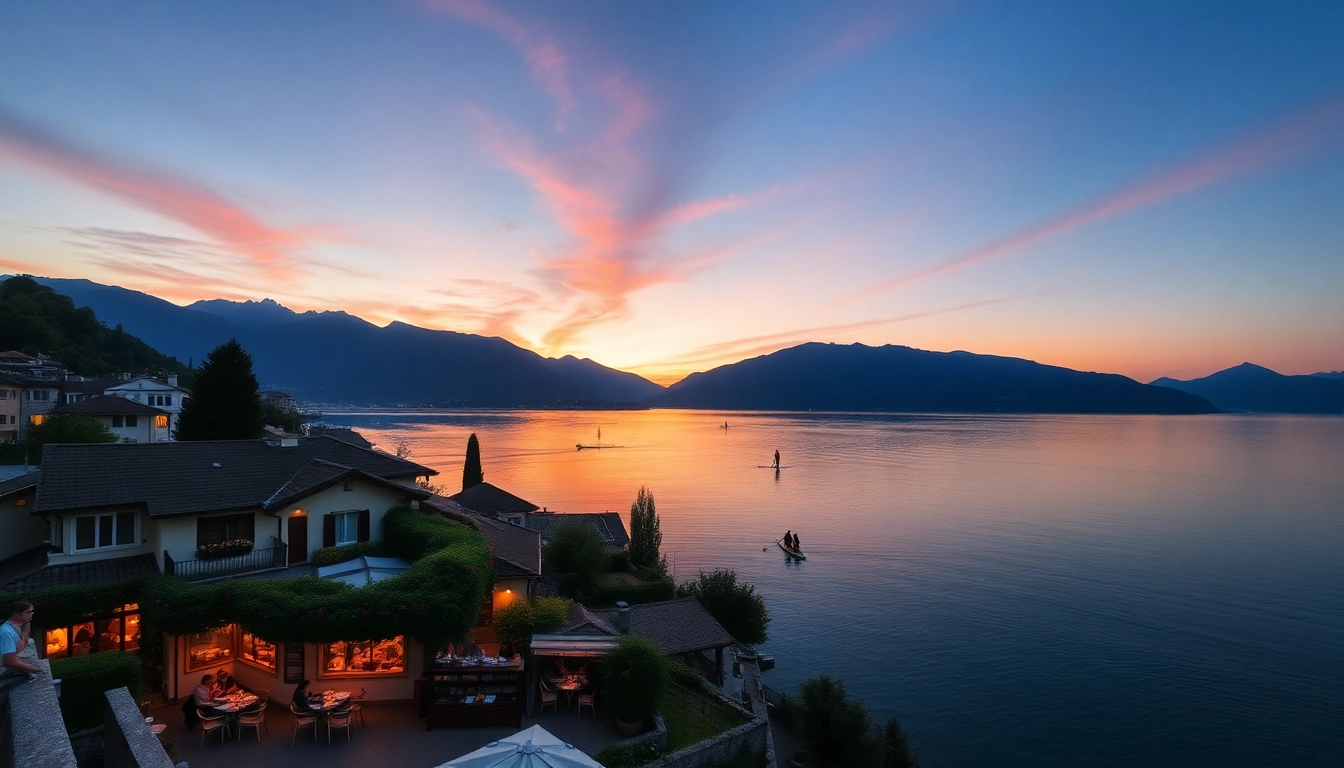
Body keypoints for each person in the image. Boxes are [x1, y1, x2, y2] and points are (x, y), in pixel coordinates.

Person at [2, 600, 40, 686]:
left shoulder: (19, 626)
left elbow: (19, 649)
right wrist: (31, 668)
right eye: (28, 612)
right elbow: (9, 660)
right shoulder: (7, 633)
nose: (31, 614)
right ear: (17, 615)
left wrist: (25, 634)